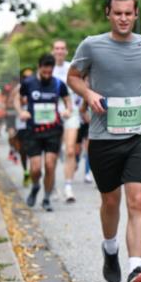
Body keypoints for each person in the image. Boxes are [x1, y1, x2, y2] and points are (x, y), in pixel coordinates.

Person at [68, 0, 141, 282]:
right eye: (118, 13)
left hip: (140, 134)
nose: (123, 19)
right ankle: (110, 248)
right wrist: (89, 93)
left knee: (137, 200)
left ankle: (136, 268)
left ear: (136, 14)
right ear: (108, 14)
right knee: (111, 201)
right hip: (103, 137)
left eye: (129, 13)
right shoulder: (92, 46)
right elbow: (73, 77)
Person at [16, 54, 72, 212]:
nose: (48, 74)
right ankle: (35, 187)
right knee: (35, 168)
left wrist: (68, 110)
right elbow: (17, 99)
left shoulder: (58, 84)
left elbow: (68, 100)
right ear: (39, 67)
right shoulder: (28, 83)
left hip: (53, 130)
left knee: (49, 165)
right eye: (45, 71)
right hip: (33, 130)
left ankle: (46, 198)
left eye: (50, 71)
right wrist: (21, 111)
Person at [52, 40, 83, 203]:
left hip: (71, 112)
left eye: (62, 48)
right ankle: (52, 186)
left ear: (66, 51)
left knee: (70, 150)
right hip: (51, 115)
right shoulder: (47, 69)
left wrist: (74, 107)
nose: (59, 51)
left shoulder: (72, 67)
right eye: (57, 48)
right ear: (52, 51)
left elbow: (80, 88)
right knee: (53, 153)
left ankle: (68, 187)